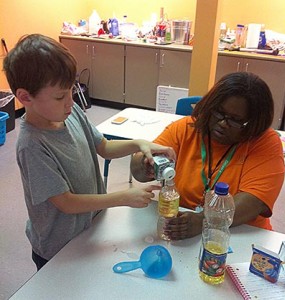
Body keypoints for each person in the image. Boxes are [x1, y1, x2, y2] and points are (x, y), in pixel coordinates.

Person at [3, 34, 175, 270]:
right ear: (25, 97)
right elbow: (66, 203)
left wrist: (139, 143)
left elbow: (103, 147)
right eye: (60, 96)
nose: (70, 102)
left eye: (70, 91)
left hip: (89, 227)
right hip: (57, 247)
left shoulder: (70, 113)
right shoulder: (31, 145)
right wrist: (123, 197)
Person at [131, 72, 285, 240]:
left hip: (241, 233)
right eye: (218, 113)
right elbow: (137, 169)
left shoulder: (265, 142)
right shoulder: (185, 128)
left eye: (235, 120)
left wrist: (204, 220)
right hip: (183, 225)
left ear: (254, 124)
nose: (222, 123)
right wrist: (144, 165)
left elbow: (254, 201)